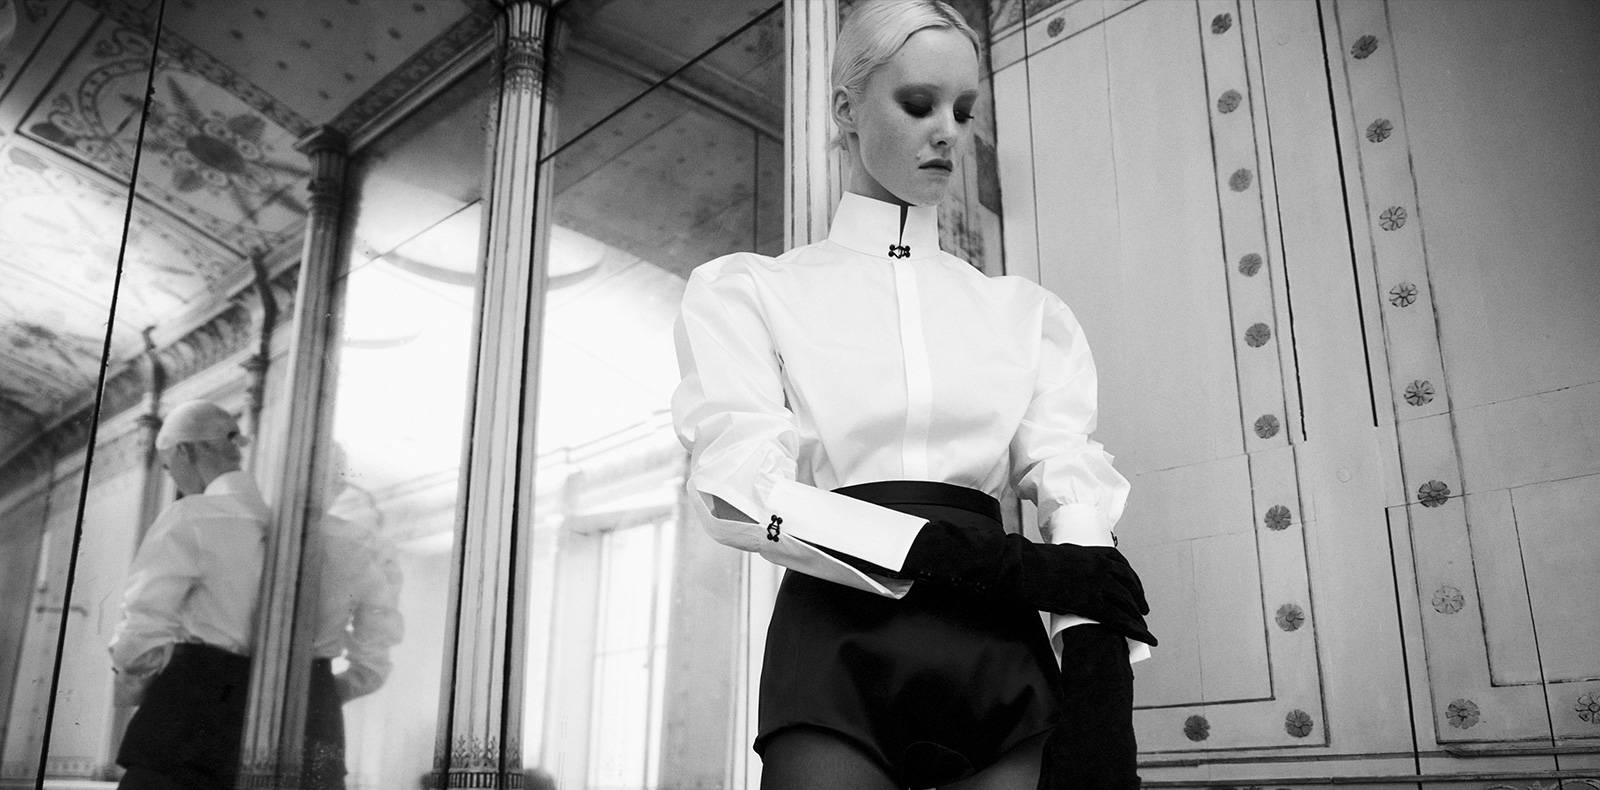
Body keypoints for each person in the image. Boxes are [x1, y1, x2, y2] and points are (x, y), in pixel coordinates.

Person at [671, 2, 1156, 788]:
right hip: (838, 640)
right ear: (846, 109)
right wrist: (962, 555)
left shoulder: (1026, 314)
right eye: (919, 103)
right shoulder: (750, 291)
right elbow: (740, 491)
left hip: (997, 647)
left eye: (962, 111)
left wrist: (1101, 685)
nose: (947, 133)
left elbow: (1074, 498)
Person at [109, 400, 269, 790]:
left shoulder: (191, 515)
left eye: (168, 467)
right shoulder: (275, 520)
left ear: (183, 451)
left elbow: (141, 631)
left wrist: (134, 684)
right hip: (257, 716)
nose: (175, 480)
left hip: (185, 710)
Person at [303, 444, 404, 790]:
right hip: (317, 706)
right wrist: (320, 695)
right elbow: (371, 667)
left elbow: (372, 665)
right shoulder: (365, 547)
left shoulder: (366, 548)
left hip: (229, 697)